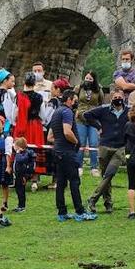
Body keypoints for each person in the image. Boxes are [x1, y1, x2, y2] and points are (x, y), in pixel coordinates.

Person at [48, 87, 93, 222]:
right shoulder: (67, 112)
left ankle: (62, 212)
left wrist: (60, 141)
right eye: (75, 100)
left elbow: (50, 136)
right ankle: (80, 211)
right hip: (67, 152)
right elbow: (67, 132)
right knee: (74, 181)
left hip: (58, 152)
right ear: (69, 100)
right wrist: (76, 142)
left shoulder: (56, 112)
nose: (76, 103)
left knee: (61, 183)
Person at [83, 88, 130, 214]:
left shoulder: (129, 111)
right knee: (106, 177)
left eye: (119, 97)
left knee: (110, 173)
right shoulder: (104, 109)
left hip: (120, 147)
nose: (117, 99)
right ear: (111, 99)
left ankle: (92, 199)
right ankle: (108, 203)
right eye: (115, 98)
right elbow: (86, 115)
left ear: (124, 98)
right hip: (105, 145)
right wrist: (98, 127)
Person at [75, 71, 104, 177]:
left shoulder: (98, 90)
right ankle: (79, 166)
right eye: (86, 78)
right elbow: (74, 100)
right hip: (80, 118)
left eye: (90, 79)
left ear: (94, 80)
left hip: (93, 118)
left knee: (93, 142)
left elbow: (101, 102)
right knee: (81, 143)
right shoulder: (79, 88)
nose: (88, 80)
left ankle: (94, 167)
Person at [11, 137, 35, 213]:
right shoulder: (21, 154)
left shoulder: (24, 154)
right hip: (18, 175)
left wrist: (18, 152)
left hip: (22, 175)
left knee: (21, 191)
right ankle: (19, 205)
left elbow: (20, 160)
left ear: (18, 147)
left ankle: (22, 206)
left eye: (15, 146)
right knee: (18, 191)